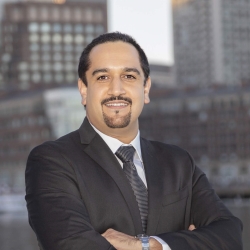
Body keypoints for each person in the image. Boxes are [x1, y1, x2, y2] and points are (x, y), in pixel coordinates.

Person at [25, 32, 243, 250]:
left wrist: (149, 245)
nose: (116, 90)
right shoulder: (51, 162)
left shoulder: (179, 162)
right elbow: (71, 245)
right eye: (103, 77)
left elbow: (230, 236)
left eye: (129, 76)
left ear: (146, 88)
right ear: (84, 89)